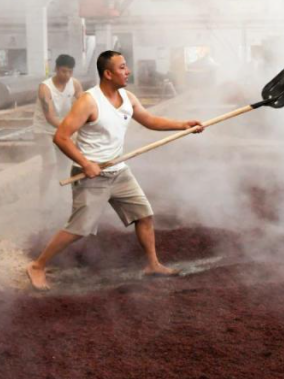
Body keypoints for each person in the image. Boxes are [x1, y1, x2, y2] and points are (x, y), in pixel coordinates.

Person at [26, 50, 204, 291]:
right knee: (79, 229)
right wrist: (86, 164)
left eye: (126, 66)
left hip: (118, 171)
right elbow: (61, 137)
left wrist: (182, 125)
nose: (127, 71)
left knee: (144, 215)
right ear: (108, 74)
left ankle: (153, 264)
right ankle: (37, 266)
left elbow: (150, 120)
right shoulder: (89, 101)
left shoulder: (128, 97)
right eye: (122, 68)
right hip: (92, 174)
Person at [32, 54, 84, 203]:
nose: (66, 75)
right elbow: (50, 117)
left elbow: (84, 103)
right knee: (50, 163)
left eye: (69, 72)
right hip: (43, 129)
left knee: (65, 164)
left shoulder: (75, 84)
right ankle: (43, 197)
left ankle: (62, 196)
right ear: (56, 69)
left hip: (63, 128)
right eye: (63, 71)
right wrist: (71, 127)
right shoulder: (45, 88)